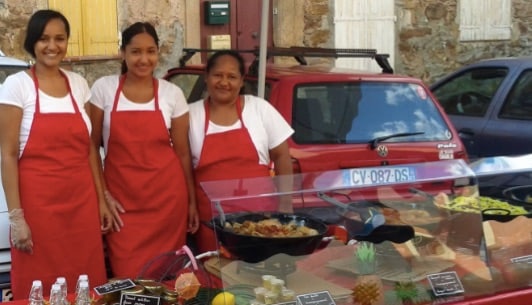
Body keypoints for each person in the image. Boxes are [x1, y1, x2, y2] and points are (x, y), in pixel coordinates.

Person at [0, 10, 111, 299]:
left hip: (81, 206)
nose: (52, 46)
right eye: (44, 39)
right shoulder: (17, 86)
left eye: (60, 38)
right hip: (39, 210)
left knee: (85, 282)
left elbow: (90, 148)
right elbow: (8, 154)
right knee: (40, 287)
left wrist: (101, 199)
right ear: (32, 43)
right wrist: (16, 218)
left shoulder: (78, 84)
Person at [89, 22, 199, 279]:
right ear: (123, 52)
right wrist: (102, 195)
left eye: (151, 51)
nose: (144, 59)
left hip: (167, 202)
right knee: (128, 277)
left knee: (167, 279)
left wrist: (191, 201)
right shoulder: (104, 89)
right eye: (136, 52)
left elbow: (183, 154)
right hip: (123, 205)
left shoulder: (172, 94)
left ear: (158, 52)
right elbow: (91, 147)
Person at [189, 50, 294, 253]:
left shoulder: (259, 109)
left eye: (232, 77)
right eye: (218, 75)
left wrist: (286, 203)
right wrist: (189, 207)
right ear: (206, 77)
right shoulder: (191, 115)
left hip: (262, 219)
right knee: (216, 275)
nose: (224, 82)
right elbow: (182, 167)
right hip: (211, 222)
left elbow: (282, 156)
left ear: (242, 81)